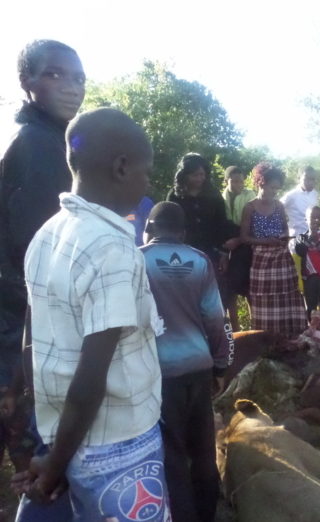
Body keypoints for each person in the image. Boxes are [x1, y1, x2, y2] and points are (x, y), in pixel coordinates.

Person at [13, 108, 170, 520]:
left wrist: (53, 448)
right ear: (121, 167)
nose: (148, 182)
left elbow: (31, 342)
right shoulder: (113, 249)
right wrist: (55, 465)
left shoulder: (45, 236)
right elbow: (91, 376)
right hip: (120, 445)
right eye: (146, 172)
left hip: (63, 433)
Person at [0, 39, 85, 521]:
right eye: (57, 75)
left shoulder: (50, 140)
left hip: (21, 323)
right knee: (38, 467)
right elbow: (38, 261)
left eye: (79, 78)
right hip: (21, 328)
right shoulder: (36, 147)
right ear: (27, 82)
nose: (72, 87)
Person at [141, 201, 232, 522]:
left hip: (158, 374)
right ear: (182, 232)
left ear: (149, 228)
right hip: (199, 366)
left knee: (173, 456)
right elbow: (216, 319)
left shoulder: (136, 261)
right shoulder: (200, 260)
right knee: (204, 450)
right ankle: (207, 514)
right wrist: (221, 365)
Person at [241, 162, 306, 336]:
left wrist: (283, 238)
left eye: (277, 189)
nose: (275, 192)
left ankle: (289, 338)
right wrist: (264, 241)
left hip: (282, 258)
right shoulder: (250, 208)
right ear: (261, 183)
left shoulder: (279, 206)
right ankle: (265, 338)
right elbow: (244, 237)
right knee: (264, 299)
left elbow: (285, 228)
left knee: (287, 296)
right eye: (272, 188)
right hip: (261, 260)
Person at [166, 153, 231, 270]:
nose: (200, 178)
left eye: (202, 174)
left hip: (211, 251)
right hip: (181, 252)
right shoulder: (174, 196)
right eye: (195, 175)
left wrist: (224, 252)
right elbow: (169, 225)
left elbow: (222, 222)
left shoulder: (214, 194)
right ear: (184, 175)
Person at [221, 166, 256, 331]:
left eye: (241, 181)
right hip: (226, 245)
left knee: (250, 289)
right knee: (229, 291)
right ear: (226, 181)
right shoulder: (220, 198)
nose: (238, 184)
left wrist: (239, 239)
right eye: (234, 181)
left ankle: (254, 327)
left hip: (246, 246)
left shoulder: (250, 195)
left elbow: (251, 222)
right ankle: (236, 330)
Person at [281, 166, 319, 293]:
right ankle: (301, 311)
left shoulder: (315, 194)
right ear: (299, 178)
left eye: (313, 179)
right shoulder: (291, 195)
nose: (310, 182)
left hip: (313, 243)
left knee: (314, 279)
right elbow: (277, 208)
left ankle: (315, 312)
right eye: (307, 179)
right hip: (297, 243)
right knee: (299, 283)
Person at [295, 206, 320, 323]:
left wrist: (318, 242)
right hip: (309, 278)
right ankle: (313, 332)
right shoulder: (301, 237)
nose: (316, 220)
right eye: (313, 217)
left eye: (319, 218)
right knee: (311, 306)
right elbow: (300, 252)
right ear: (306, 219)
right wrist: (310, 238)